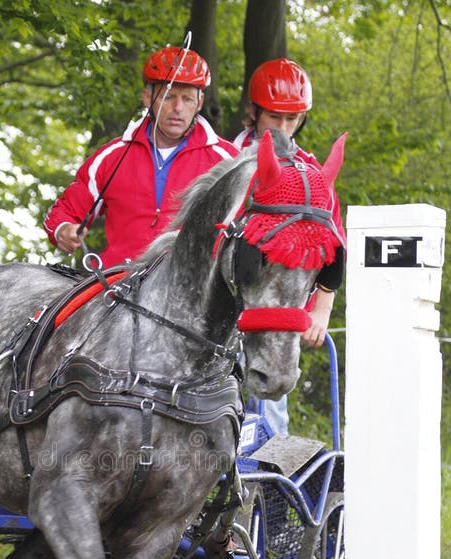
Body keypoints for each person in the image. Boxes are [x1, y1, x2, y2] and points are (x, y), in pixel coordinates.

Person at [44, 45, 238, 268]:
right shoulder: (112, 155)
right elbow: (64, 211)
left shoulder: (228, 160)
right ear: (147, 98)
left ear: (200, 103)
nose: (178, 108)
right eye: (168, 96)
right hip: (115, 286)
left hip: (190, 290)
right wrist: (63, 229)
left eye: (188, 99)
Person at [233, 58, 345, 434]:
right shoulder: (222, 158)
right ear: (253, 112)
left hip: (275, 315)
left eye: (292, 119)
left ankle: (267, 484)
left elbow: (331, 246)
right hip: (220, 307)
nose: (283, 129)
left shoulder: (313, 175)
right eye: (274, 118)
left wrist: (321, 311)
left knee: (269, 410)